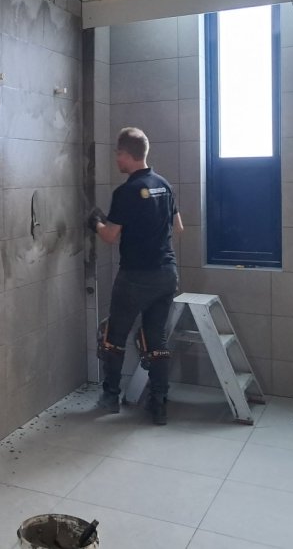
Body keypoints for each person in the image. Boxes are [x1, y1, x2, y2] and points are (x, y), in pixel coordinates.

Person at [89, 127, 184, 425]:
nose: (116, 159)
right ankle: (159, 404)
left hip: (135, 276)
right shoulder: (164, 185)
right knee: (155, 337)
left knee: (113, 337)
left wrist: (95, 222)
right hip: (166, 273)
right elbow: (178, 227)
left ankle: (110, 397)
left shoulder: (126, 191)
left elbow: (110, 236)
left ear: (125, 154)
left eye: (117, 154)